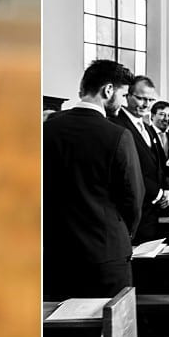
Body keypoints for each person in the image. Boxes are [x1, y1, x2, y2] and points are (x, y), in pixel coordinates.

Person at [42, 60, 144, 300]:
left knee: (62, 333)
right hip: (106, 255)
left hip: (57, 253)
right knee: (110, 332)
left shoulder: (47, 130)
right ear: (108, 90)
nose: (123, 102)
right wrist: (121, 234)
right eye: (123, 94)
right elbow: (133, 198)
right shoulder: (118, 135)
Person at [112, 75, 169, 243]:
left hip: (154, 210)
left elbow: (159, 163)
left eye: (150, 99)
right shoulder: (117, 125)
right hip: (134, 209)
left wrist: (166, 188)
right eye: (141, 98)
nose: (146, 104)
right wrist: (157, 192)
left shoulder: (148, 128)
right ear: (128, 96)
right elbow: (129, 168)